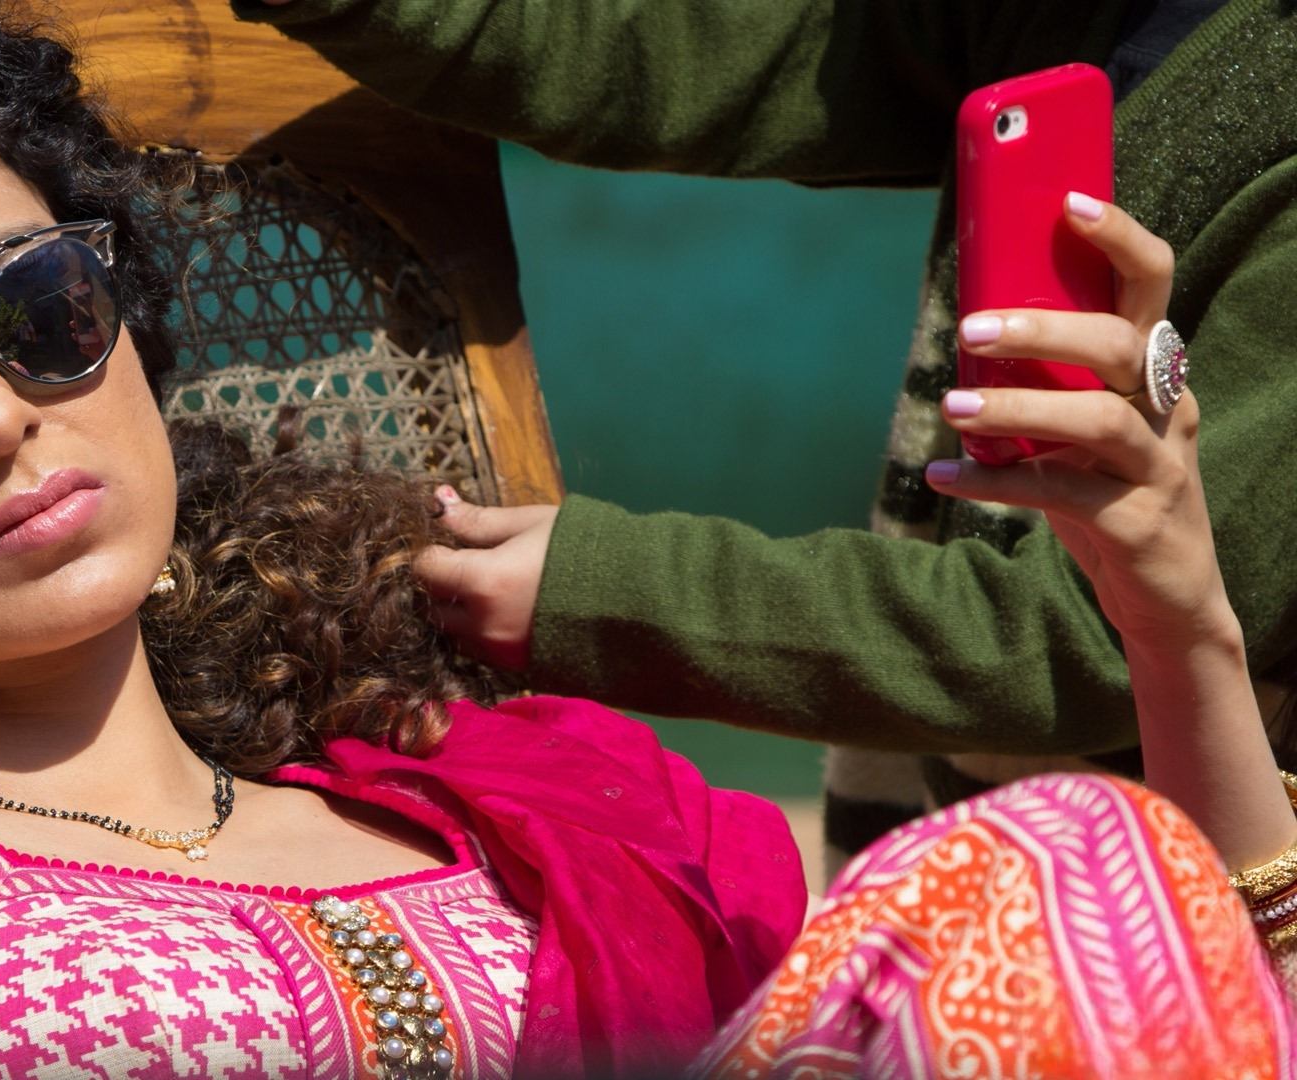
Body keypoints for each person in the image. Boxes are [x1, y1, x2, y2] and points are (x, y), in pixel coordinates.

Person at [0, 0, 1294, 1077]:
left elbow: (1176, 999)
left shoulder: (507, 823)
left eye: (35, 307)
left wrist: (1174, 626)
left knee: (1075, 852)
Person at [236, 0, 1297, 873]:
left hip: (1159, 931)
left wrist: (609, 593)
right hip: (963, 864)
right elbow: (681, 42)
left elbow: (1098, 633)